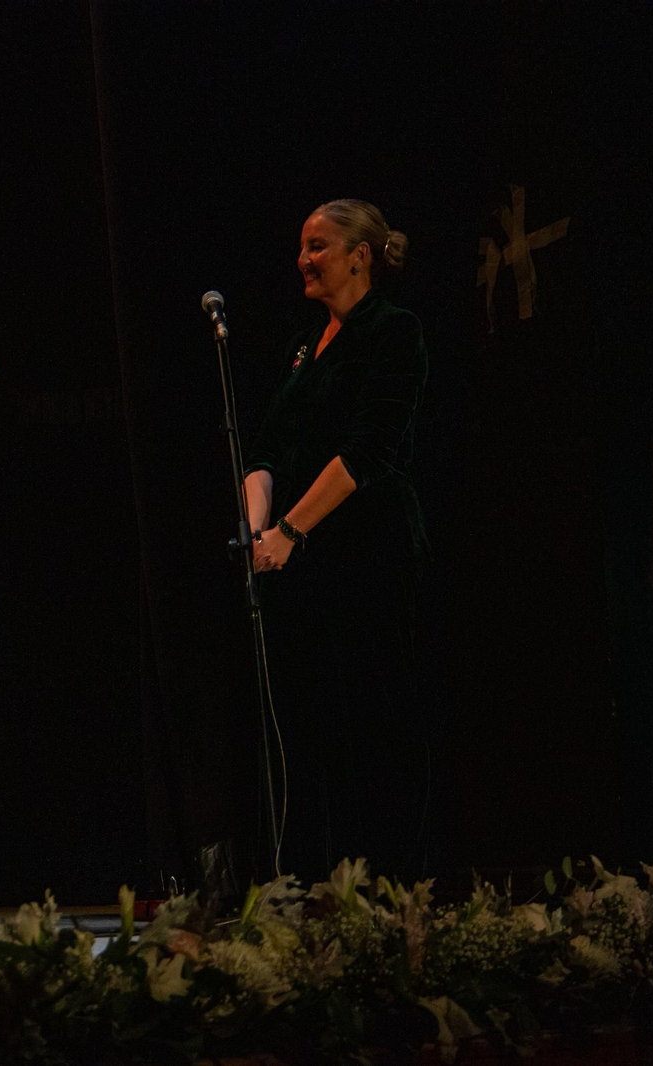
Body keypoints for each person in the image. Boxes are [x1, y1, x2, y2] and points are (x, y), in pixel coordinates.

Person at [242, 199, 429, 881]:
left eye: (317, 246)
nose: (303, 260)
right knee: (311, 728)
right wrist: (262, 529)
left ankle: (389, 885)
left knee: (375, 723)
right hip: (298, 562)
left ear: (361, 256)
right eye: (301, 247)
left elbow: (369, 450)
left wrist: (291, 528)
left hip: (367, 551)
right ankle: (318, 883)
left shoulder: (393, 331)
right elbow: (264, 450)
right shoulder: (303, 347)